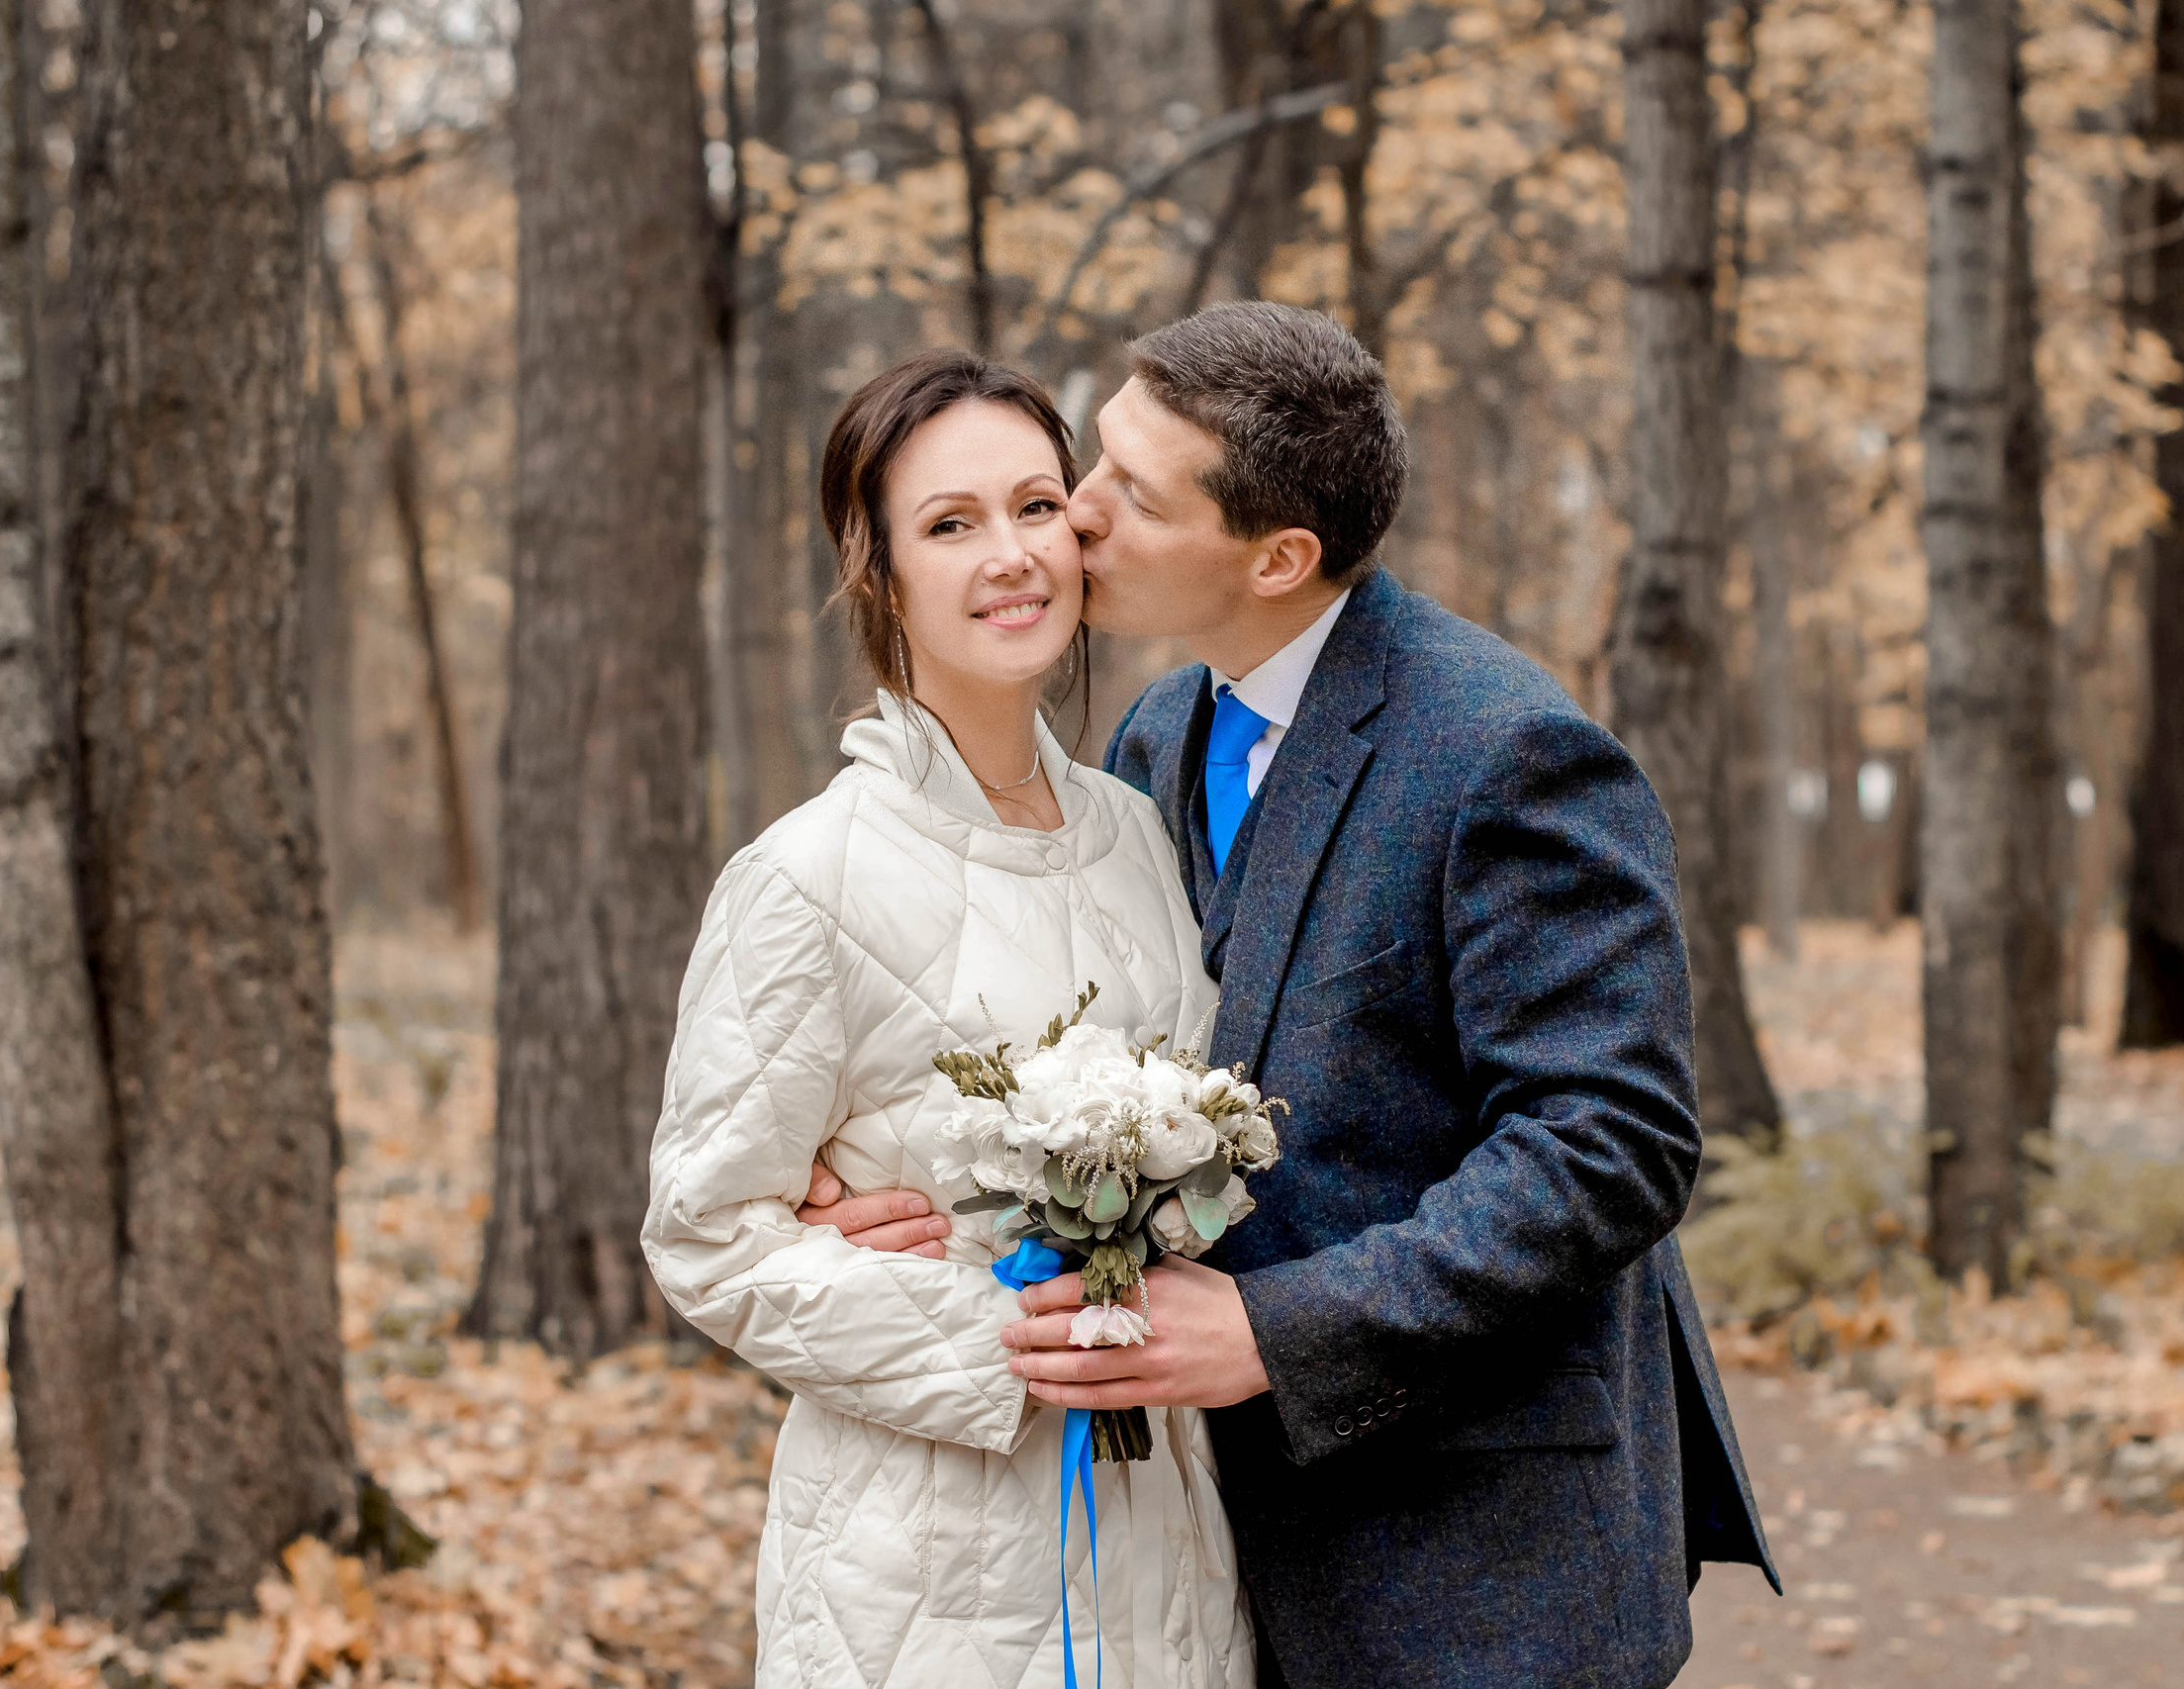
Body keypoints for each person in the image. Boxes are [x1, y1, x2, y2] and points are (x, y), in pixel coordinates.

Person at [992, 301, 1780, 1688]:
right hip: (1221, 1551)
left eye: (1134, 492)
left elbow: (1609, 1147)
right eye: (1093, 457)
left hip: (1475, 1558)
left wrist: (1274, 1330)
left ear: (1280, 557)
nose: (1079, 512)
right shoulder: (1158, 732)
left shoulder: (1511, 754)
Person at [641, 349, 1253, 1689]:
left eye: (1039, 507)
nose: (1012, 556)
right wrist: (1005, 1337)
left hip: (1171, 1532)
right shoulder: (806, 878)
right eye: (951, 524)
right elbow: (706, 1238)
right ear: (880, 569)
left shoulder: (1142, 833)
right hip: (920, 1573)